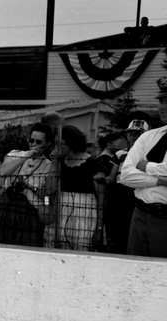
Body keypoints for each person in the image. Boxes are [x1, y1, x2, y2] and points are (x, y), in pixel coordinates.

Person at [0, 122, 55, 247]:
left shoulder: (49, 165)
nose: (33, 144)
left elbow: (46, 196)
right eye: (31, 140)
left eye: (38, 142)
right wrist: (26, 156)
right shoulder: (15, 154)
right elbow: (2, 172)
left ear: (48, 143)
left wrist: (28, 185)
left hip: (30, 210)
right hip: (7, 205)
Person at [119, 90, 167, 257]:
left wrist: (145, 166)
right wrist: (159, 182)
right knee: (135, 268)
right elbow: (125, 175)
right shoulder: (147, 137)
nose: (163, 107)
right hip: (140, 215)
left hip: (164, 218)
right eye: (161, 101)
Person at [47, 124, 104, 251]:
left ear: (71, 144)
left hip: (84, 216)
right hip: (61, 214)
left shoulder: (93, 164)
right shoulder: (60, 163)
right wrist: (54, 163)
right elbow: (49, 190)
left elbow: (101, 198)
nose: (56, 147)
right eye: (55, 144)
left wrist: (99, 228)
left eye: (59, 144)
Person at [101, 119, 147, 253]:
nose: (134, 136)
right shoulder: (120, 154)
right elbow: (111, 177)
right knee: (116, 230)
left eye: (139, 133)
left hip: (136, 196)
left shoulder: (148, 156)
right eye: (131, 133)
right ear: (126, 135)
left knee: (131, 231)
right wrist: (101, 179)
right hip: (118, 195)